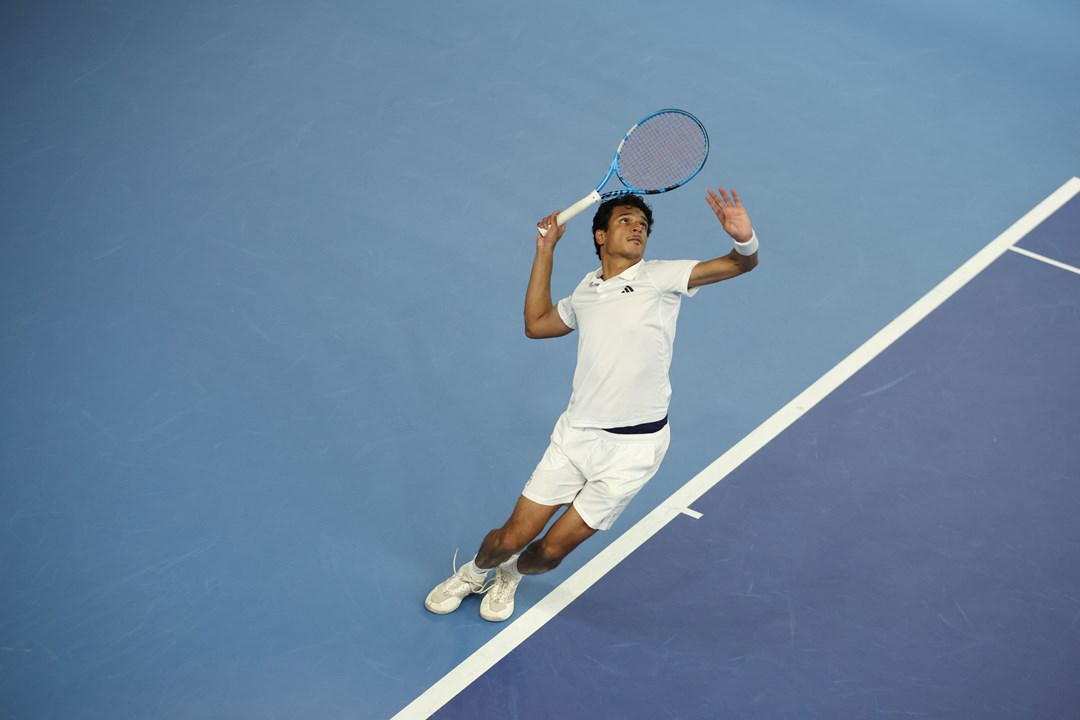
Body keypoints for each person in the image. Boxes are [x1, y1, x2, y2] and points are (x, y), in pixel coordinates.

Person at [425, 187, 758, 622]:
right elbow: (538, 324)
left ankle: (511, 574)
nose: (638, 227)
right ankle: (474, 571)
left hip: (634, 452)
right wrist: (545, 250)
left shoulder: (661, 277)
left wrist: (744, 239)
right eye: (625, 221)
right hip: (576, 437)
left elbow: (739, 263)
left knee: (548, 553)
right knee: (509, 536)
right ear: (600, 236)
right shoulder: (586, 289)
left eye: (643, 225)